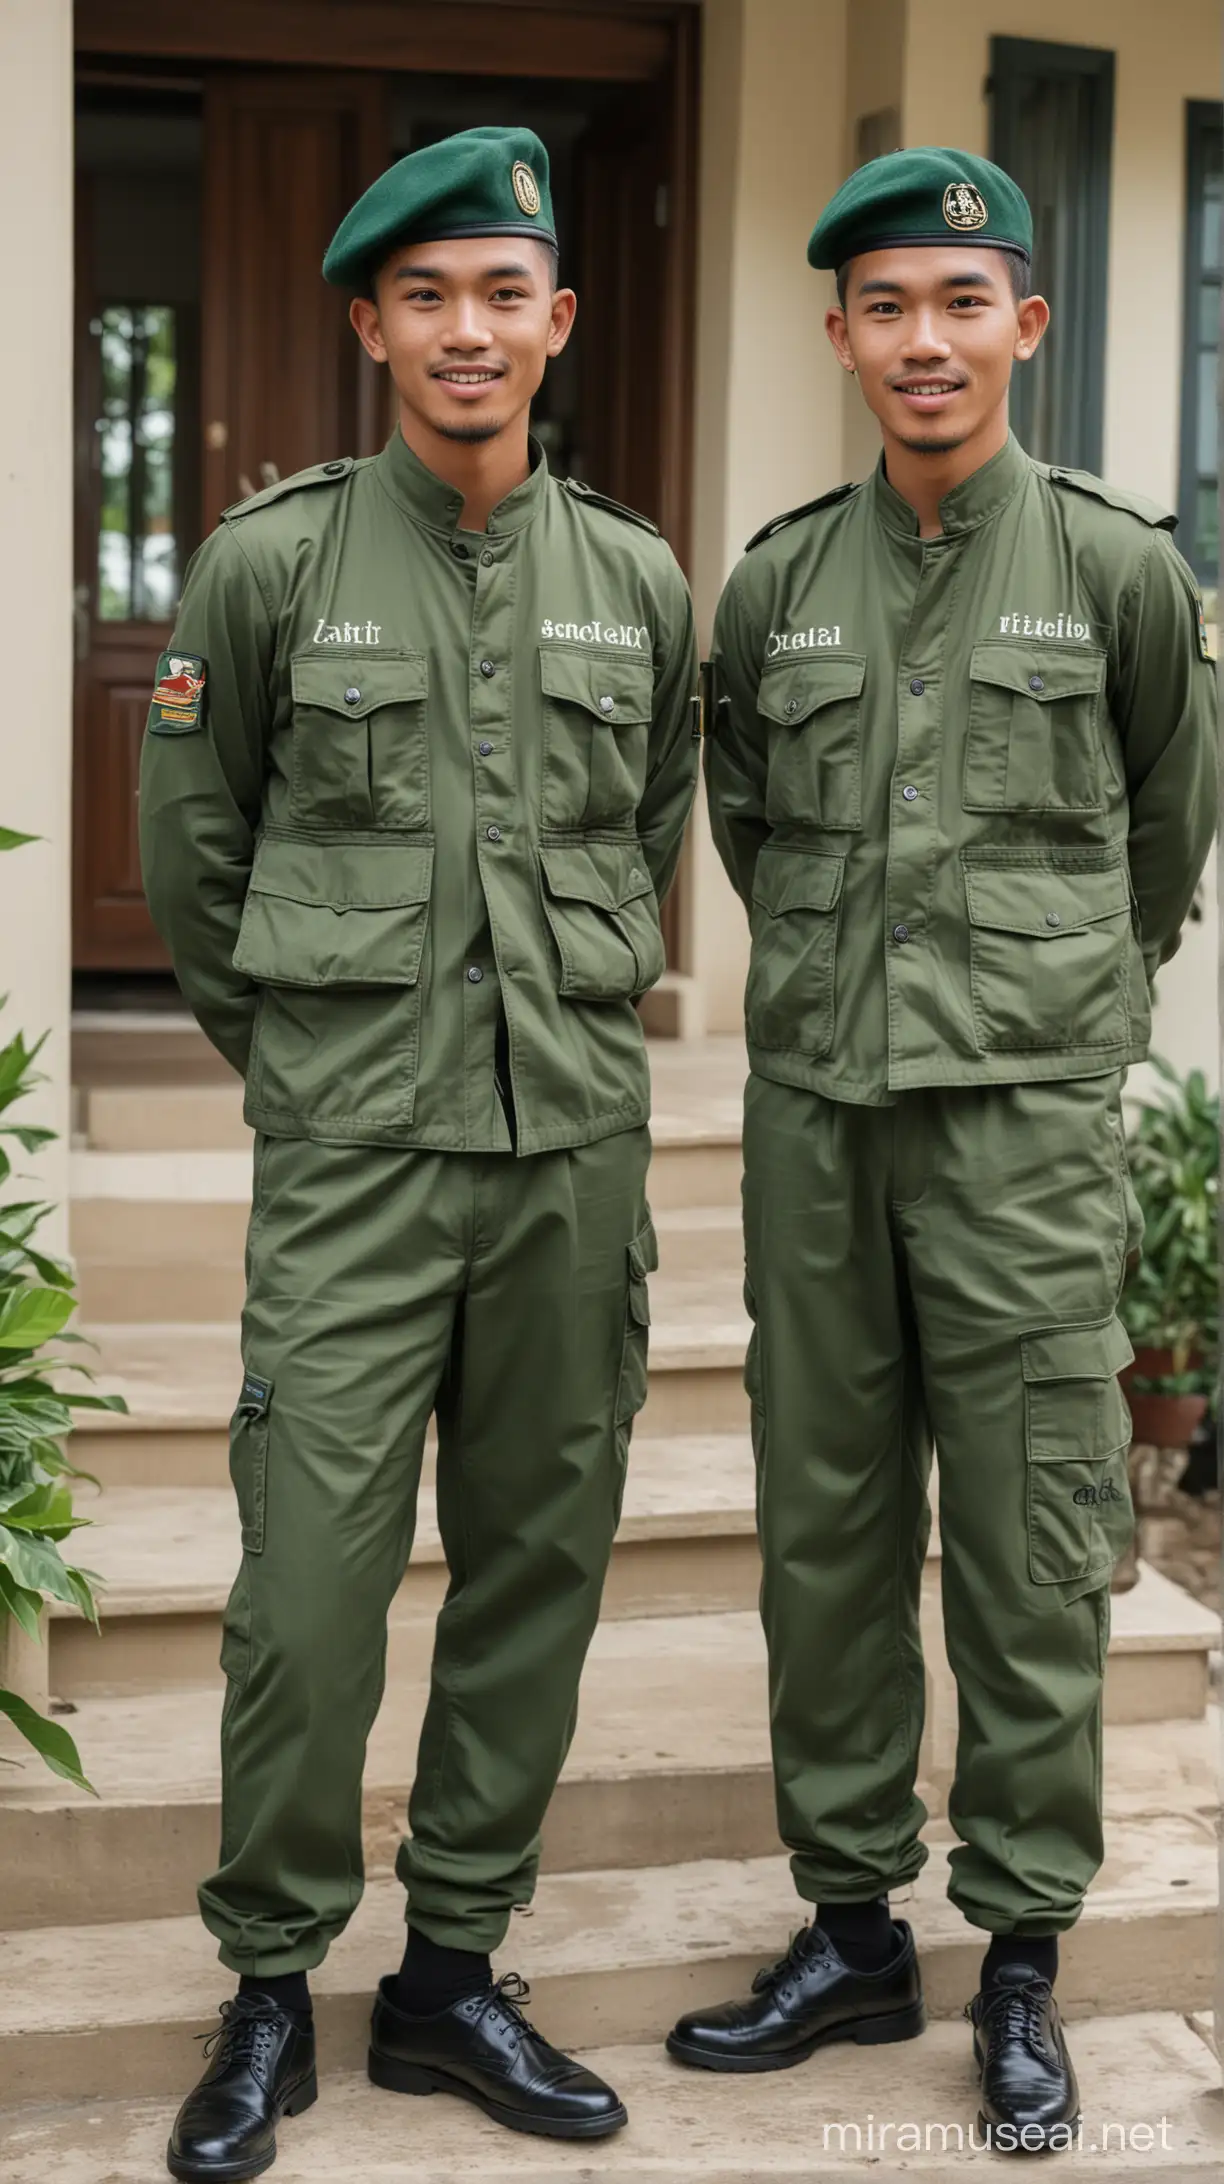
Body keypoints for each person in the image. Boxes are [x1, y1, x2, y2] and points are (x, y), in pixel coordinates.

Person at [141, 125, 698, 2182]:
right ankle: (271, 1985)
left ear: (557, 324)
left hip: (569, 1159)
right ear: (370, 323)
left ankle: (455, 1970)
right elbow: (195, 873)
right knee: (307, 1588)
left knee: (534, 1578)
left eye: (504, 295)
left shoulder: (638, 578)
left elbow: (645, 839)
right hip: (359, 1165)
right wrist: (318, 1061)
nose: (468, 331)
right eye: (427, 295)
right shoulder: (271, 563)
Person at [666, 147, 1217, 2154]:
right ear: (842, 335)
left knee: (1032, 1542)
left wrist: (1043, 1007)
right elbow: (749, 829)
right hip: (820, 1123)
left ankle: (1022, 1968)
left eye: (962, 305)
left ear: (1026, 330)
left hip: (1020, 1137)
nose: (926, 340)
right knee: (822, 1540)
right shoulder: (780, 581)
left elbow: (1167, 832)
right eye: (888, 306)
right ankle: (847, 1930)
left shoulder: (1119, 568)